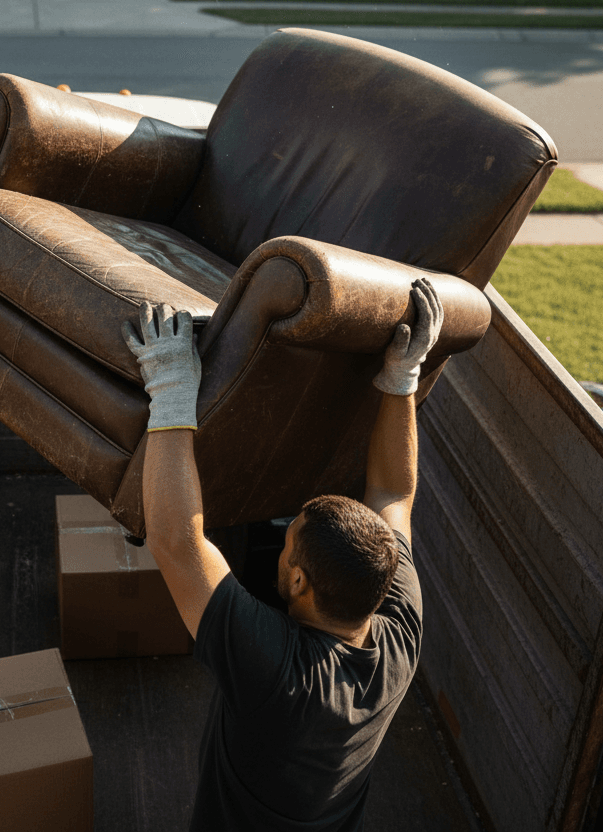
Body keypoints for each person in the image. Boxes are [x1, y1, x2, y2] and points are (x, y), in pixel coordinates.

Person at [122, 277, 444, 832]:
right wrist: (402, 377)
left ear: (298, 582)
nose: (283, 539)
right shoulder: (399, 634)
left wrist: (172, 387)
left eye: (287, 539)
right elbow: (393, 492)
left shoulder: (277, 673)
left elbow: (177, 542)